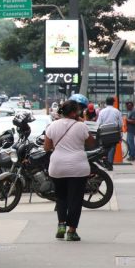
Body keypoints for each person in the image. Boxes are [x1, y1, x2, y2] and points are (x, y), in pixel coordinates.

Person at [44, 100, 95, 241]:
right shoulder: (81, 126)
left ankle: (61, 225)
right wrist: (81, 122)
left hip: (57, 167)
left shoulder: (52, 125)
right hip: (78, 168)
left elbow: (46, 147)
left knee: (61, 197)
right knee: (75, 200)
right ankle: (71, 231)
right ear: (74, 112)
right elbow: (91, 142)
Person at [97, 96, 123, 169]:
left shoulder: (102, 111)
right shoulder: (117, 111)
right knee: (112, 147)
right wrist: (120, 132)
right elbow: (120, 124)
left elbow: (98, 123)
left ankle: (105, 157)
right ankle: (110, 163)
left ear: (106, 103)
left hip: (104, 131)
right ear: (113, 103)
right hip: (114, 132)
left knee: (105, 147)